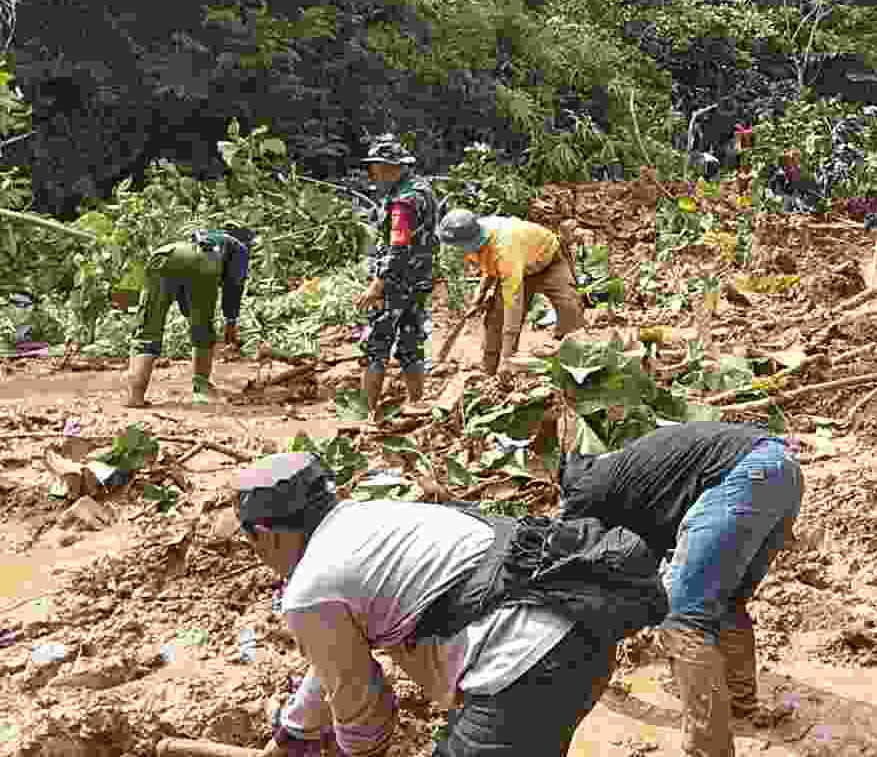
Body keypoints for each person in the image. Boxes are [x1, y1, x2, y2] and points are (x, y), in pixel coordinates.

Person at [239, 452, 665, 757]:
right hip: (581, 633)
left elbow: (367, 715)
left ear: (265, 534)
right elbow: (333, 662)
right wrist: (294, 734)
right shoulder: (369, 520)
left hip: (521, 669)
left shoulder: (310, 586)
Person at [559, 423, 804, 757]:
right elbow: (646, 569)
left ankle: (708, 749)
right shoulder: (639, 476)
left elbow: (581, 574)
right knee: (724, 599)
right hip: (782, 468)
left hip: (741, 477)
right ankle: (739, 702)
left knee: (683, 618)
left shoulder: (585, 490)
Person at [353, 134, 440, 422]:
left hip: (395, 285)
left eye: (376, 168)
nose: (373, 175)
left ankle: (366, 415)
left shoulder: (402, 203)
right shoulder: (423, 190)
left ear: (392, 168)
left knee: (377, 347)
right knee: (411, 343)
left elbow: (397, 247)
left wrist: (376, 286)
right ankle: (417, 403)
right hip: (420, 280)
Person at [436, 210, 586, 375]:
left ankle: (575, 366)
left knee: (570, 309)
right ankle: (489, 371)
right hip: (517, 266)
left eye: (455, 245)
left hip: (548, 262)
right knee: (496, 319)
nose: (453, 249)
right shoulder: (476, 235)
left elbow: (513, 305)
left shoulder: (504, 247)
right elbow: (491, 266)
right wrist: (477, 299)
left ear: (467, 241)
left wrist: (507, 359)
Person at [125, 225, 255, 407]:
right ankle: (201, 389)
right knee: (202, 327)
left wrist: (190, 311)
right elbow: (233, 288)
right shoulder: (239, 248)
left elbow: (185, 276)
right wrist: (230, 324)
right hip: (202, 264)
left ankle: (135, 396)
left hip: (164, 255)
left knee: (148, 324)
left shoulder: (206, 237)